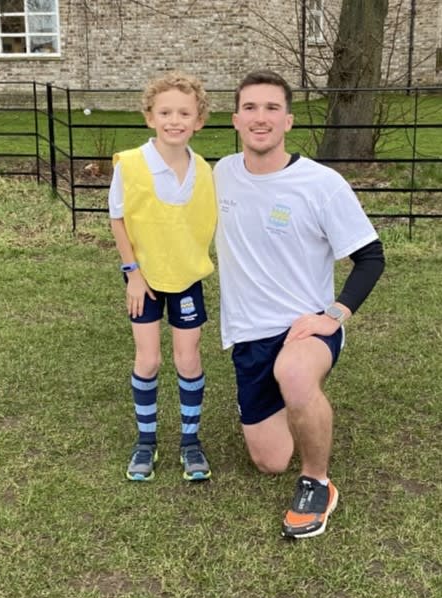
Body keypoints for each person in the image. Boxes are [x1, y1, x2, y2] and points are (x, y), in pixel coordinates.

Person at [214, 69, 385, 538]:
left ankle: (317, 482)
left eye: (272, 108)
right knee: (269, 461)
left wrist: (335, 314)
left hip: (304, 330)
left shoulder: (321, 183)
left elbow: (371, 257)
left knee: (293, 372)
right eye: (250, 108)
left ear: (288, 121)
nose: (260, 117)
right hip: (248, 336)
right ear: (235, 119)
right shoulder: (221, 174)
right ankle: (300, 408)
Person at [109, 71, 217, 482]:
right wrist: (132, 273)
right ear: (150, 117)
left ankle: (190, 443)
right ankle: (146, 442)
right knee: (149, 359)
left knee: (188, 359)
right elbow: (117, 218)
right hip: (145, 279)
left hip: (186, 276)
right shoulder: (132, 164)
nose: (175, 120)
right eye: (165, 111)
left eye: (184, 113)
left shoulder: (204, 170)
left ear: (199, 121)